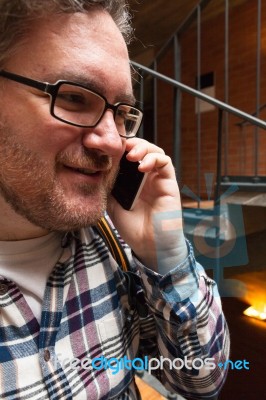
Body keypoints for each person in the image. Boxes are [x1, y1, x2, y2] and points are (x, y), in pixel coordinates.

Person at [0, 1, 230, 399]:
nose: (112, 142)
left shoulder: (112, 240)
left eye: (122, 112)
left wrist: (167, 256)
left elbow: (202, 379)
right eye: (73, 98)